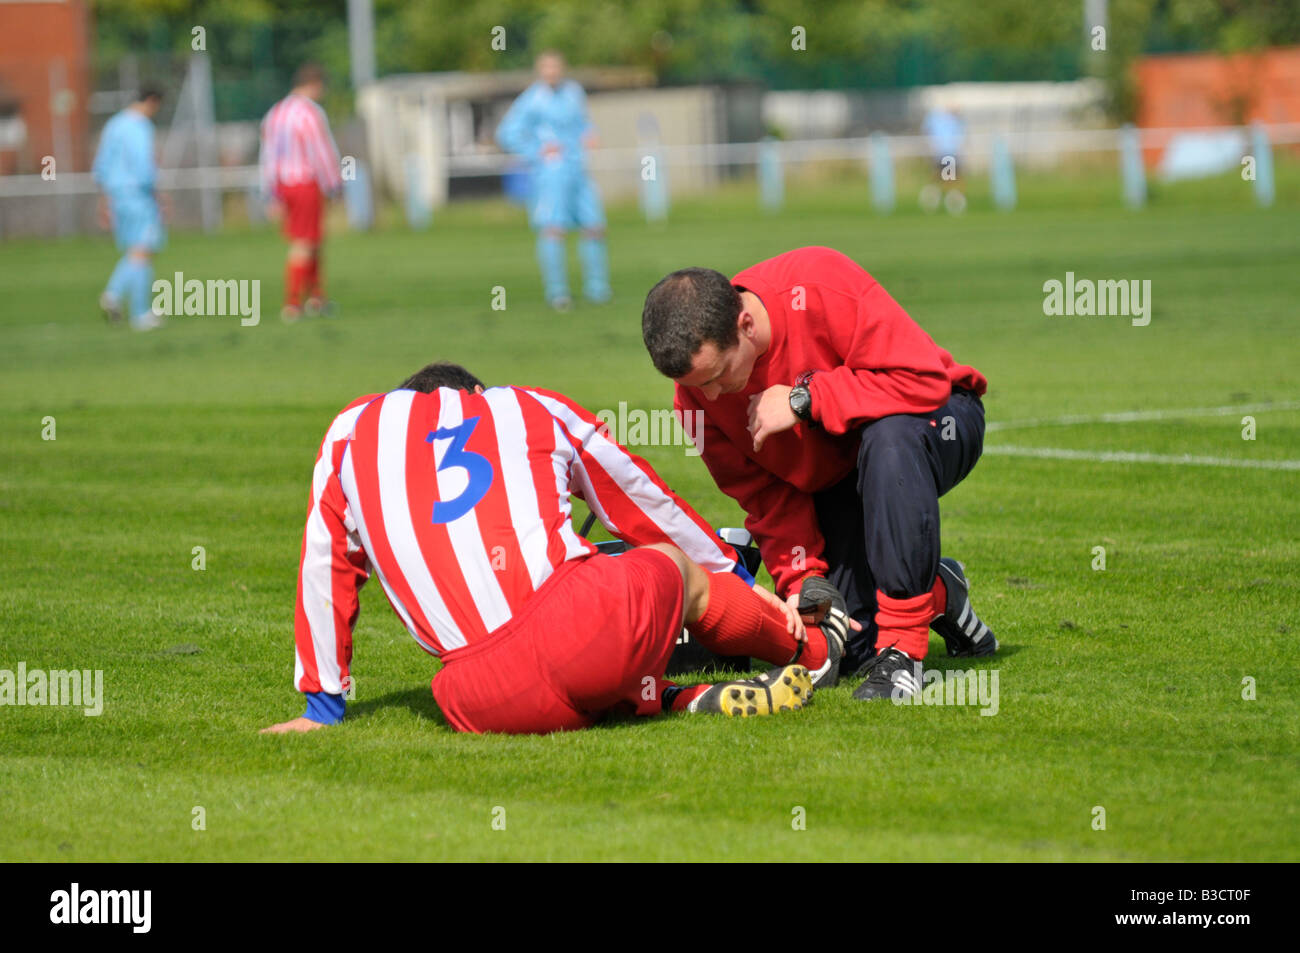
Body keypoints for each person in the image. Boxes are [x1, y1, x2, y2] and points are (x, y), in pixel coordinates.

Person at [262, 362, 849, 736]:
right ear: (473, 392)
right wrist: (734, 583)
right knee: (673, 566)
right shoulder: (526, 405)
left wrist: (322, 705)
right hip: (581, 626)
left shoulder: (349, 433)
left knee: (579, 678)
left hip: (472, 699)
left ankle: (679, 699)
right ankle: (815, 650)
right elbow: (645, 505)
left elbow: (326, 565)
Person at [640, 247, 998, 703]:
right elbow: (763, 495)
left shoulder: (817, 281)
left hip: (937, 420)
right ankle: (942, 591)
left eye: (718, 374)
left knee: (889, 439)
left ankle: (904, 652)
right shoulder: (695, 397)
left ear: (744, 326)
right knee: (849, 643)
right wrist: (802, 577)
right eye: (695, 385)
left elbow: (922, 381)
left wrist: (803, 399)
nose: (710, 393)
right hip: (842, 475)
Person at [495, 50, 610, 311]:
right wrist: (537, 151)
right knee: (553, 228)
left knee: (594, 226)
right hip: (552, 172)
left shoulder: (573, 92)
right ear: (539, 70)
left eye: (555, 67)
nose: (552, 72)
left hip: (578, 168)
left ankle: (598, 289)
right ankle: (558, 293)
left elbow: (584, 124)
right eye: (546, 67)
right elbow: (507, 133)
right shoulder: (532, 99)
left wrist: (591, 134)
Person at [259, 63, 342, 322]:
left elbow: (268, 155)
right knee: (304, 241)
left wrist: (270, 192)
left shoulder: (275, 113)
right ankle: (292, 303)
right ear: (315, 85)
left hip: (283, 183)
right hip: (306, 181)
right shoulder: (310, 113)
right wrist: (334, 183)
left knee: (313, 239)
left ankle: (317, 298)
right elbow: (322, 151)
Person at [93, 87, 166, 332]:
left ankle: (115, 295)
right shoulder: (140, 126)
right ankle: (138, 312)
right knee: (142, 251)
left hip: (117, 195)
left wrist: (104, 200)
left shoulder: (113, 125)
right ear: (152, 101)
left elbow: (101, 165)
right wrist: (155, 191)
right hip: (138, 194)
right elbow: (143, 163)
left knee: (134, 250)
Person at [920, 105, 966, 215]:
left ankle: (938, 199)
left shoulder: (943, 119)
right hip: (947, 155)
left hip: (945, 154)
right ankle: (950, 202)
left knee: (944, 179)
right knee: (950, 180)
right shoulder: (939, 118)